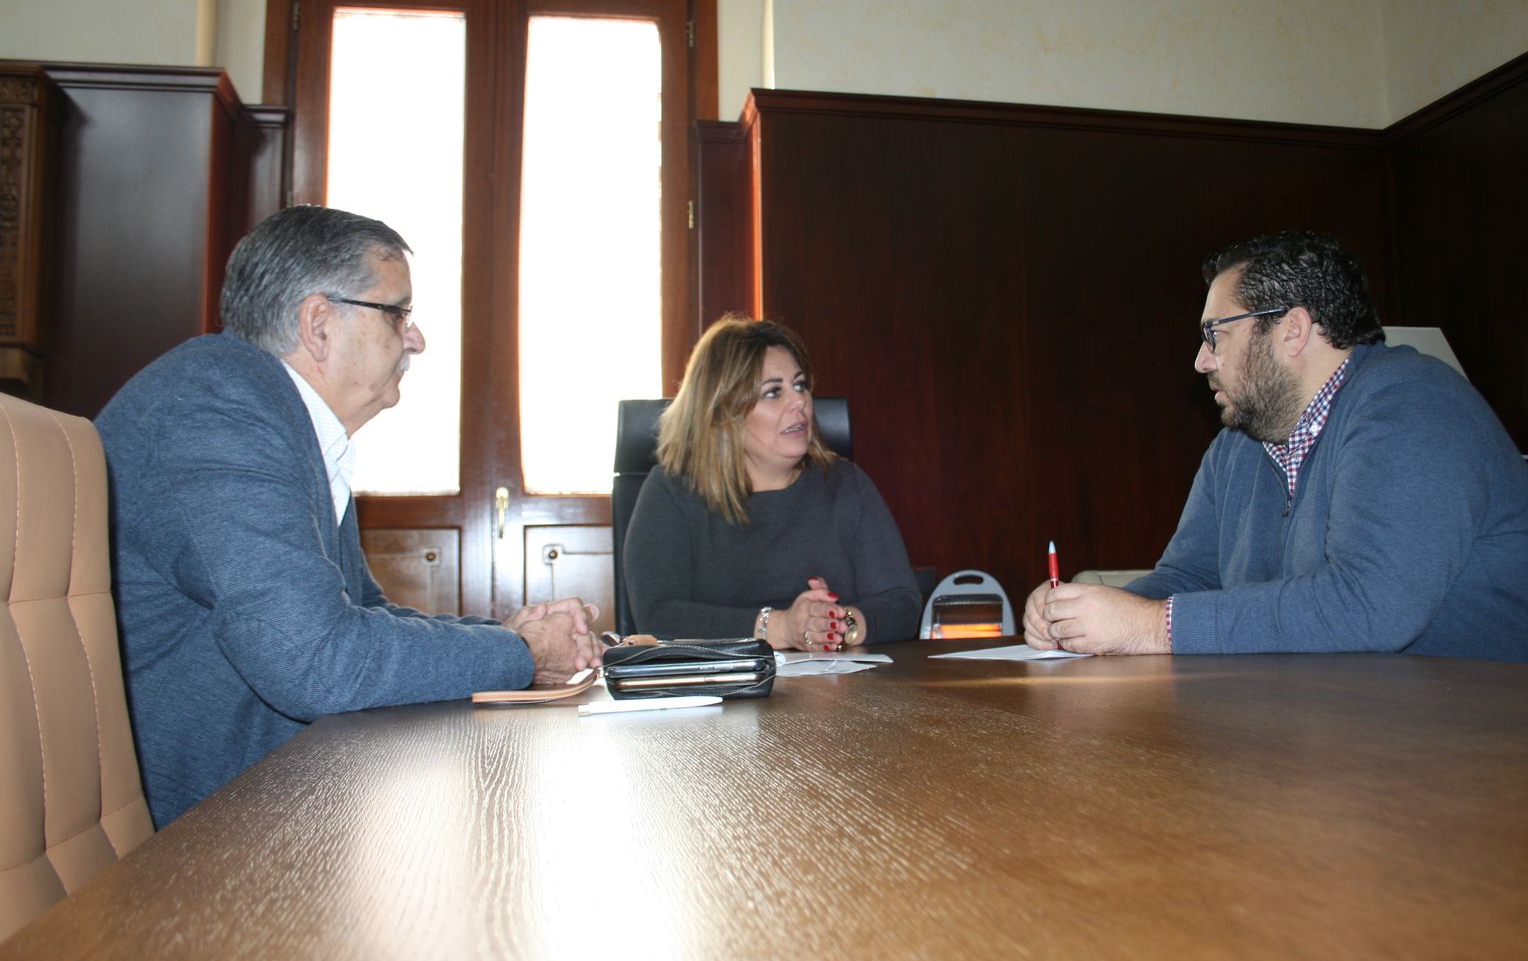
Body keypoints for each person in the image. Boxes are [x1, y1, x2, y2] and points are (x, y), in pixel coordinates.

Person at [97, 205, 604, 827]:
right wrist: (522, 654)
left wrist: (502, 639)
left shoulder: (279, 418)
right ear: (319, 324)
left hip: (279, 801)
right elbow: (317, 663)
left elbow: (360, 617)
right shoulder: (215, 410)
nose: (415, 338)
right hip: (201, 843)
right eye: (398, 313)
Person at [1024, 230, 1528, 663]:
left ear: (1292, 330)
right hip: (1324, 724)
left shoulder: (1414, 403)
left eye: (1216, 335)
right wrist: (1077, 614)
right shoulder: (1239, 443)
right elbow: (1189, 577)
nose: (1201, 361)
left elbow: (1371, 606)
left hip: (1470, 741)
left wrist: (1148, 627)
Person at [623, 315, 921, 649]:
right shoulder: (673, 492)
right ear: (722, 412)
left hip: (837, 693)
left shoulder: (845, 484)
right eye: (773, 392)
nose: (800, 402)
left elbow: (903, 605)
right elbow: (657, 617)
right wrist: (779, 627)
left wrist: (837, 624)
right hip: (719, 695)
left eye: (800, 385)